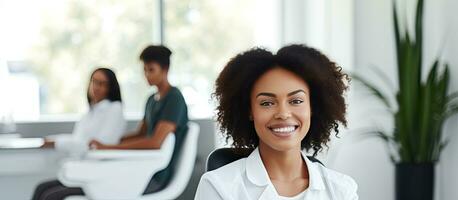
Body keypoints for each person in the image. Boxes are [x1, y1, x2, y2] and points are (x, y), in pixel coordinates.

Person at [195, 44, 358, 200]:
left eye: (296, 101)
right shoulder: (218, 186)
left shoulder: (342, 190)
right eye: (267, 103)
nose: (283, 114)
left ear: (313, 107)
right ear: (249, 111)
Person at [89, 45, 189, 194]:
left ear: (165, 69)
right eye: (144, 70)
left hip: (153, 175)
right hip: (139, 168)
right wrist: (110, 142)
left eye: (151, 70)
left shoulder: (174, 98)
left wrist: (108, 148)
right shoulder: (151, 100)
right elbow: (141, 133)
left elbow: (155, 142)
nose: (146, 75)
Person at [32, 67, 126, 200]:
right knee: (41, 188)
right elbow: (78, 139)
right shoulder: (92, 110)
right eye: (94, 82)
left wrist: (57, 143)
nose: (96, 87)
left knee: (50, 196)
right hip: (81, 171)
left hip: (96, 175)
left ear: (111, 87)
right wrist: (53, 140)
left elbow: (95, 146)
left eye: (102, 83)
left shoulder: (114, 110)